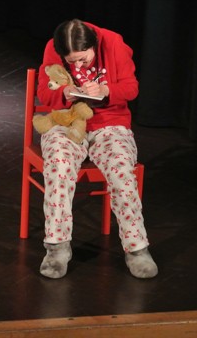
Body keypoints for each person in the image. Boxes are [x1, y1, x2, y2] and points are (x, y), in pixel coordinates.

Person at [35, 19, 157, 279]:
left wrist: (105, 89)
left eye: (83, 59)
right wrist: (65, 93)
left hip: (109, 123)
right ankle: (57, 248)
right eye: (72, 62)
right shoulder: (52, 48)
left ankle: (137, 249)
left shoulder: (113, 43)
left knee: (122, 171)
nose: (78, 66)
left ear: (93, 45)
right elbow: (44, 93)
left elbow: (131, 88)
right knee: (58, 165)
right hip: (67, 121)